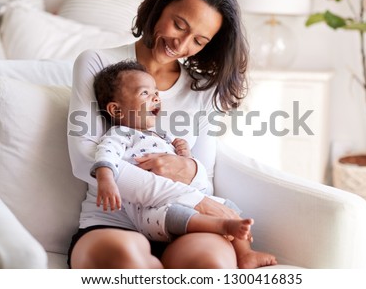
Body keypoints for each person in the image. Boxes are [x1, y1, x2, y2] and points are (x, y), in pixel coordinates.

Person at [67, 0, 276, 269]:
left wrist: (188, 168)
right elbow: (85, 160)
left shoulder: (201, 90)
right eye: (179, 25)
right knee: (129, 256)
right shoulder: (98, 63)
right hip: (111, 220)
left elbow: (205, 178)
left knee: (212, 262)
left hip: (183, 221)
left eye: (199, 41)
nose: (181, 45)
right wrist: (191, 194)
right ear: (160, 6)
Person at [91, 60, 260, 248]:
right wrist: (105, 179)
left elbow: (185, 171)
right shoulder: (120, 134)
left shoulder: (164, 136)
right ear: (116, 109)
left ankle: (245, 254)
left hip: (187, 197)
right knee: (177, 215)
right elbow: (106, 156)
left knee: (228, 206)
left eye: (156, 92)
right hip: (153, 210)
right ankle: (222, 225)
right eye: (145, 93)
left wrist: (185, 155)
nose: (155, 98)